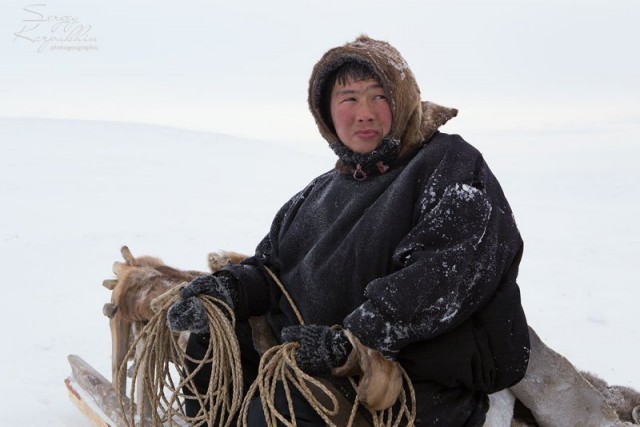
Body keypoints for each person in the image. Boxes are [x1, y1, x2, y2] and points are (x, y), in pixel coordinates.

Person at [167, 35, 530, 426]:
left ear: (403, 98)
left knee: (284, 407)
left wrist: (354, 342)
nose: (365, 113)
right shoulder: (318, 193)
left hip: (418, 376)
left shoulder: (450, 163)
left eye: (379, 96)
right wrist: (229, 292)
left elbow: (447, 272)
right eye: (349, 98)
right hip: (322, 356)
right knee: (211, 349)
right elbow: (273, 270)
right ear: (326, 111)